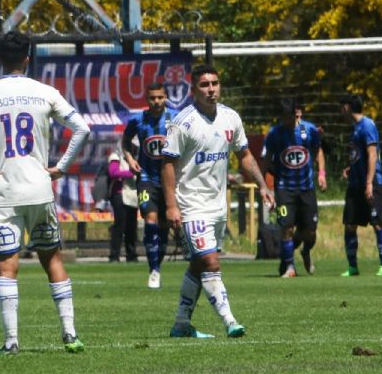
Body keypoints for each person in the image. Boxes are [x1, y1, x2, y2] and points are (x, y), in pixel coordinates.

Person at [0, 31, 89, 354]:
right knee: (51, 257)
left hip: (4, 191)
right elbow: (82, 128)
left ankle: (11, 342)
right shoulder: (44, 92)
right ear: (27, 58)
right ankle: (70, 334)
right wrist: (61, 166)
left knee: (7, 265)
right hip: (39, 188)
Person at [161, 64, 274, 338]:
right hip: (191, 205)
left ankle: (181, 324)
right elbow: (167, 164)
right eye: (204, 84)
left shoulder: (230, 118)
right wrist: (171, 205)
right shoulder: (182, 123)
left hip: (217, 207)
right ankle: (230, 321)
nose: (211, 89)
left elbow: (244, 154)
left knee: (199, 265)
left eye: (214, 83)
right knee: (211, 262)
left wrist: (262, 184)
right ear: (193, 90)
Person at [262, 101, 326, 277]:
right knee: (286, 227)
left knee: (310, 232)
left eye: (289, 117)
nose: (287, 121)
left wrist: (321, 173)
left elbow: (318, 151)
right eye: (283, 118)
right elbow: (267, 159)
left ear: (295, 115)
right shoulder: (275, 134)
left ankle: (305, 251)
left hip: (307, 188)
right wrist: (263, 186)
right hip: (284, 189)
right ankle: (290, 267)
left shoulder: (309, 130)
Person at [122, 83, 177, 288]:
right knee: (150, 220)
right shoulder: (138, 120)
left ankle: (157, 266)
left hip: (169, 181)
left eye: (160, 98)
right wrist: (129, 158)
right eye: (152, 98)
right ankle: (153, 270)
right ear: (147, 99)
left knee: (164, 225)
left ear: (166, 97)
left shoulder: (176, 117)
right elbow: (126, 140)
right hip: (146, 178)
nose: (156, 102)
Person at [339, 94, 382, 277]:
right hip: (355, 183)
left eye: (341, 107)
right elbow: (359, 156)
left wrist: (369, 182)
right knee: (350, 224)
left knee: (377, 223)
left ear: (347, 107)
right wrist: (350, 168)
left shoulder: (367, 125)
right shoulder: (355, 128)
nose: (341, 112)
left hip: (370, 183)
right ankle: (353, 267)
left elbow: (372, 155)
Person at [107, 143, 138, 262]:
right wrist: (131, 173)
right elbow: (113, 173)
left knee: (132, 227)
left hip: (133, 195)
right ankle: (114, 255)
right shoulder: (116, 156)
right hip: (119, 194)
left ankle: (131, 255)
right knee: (119, 226)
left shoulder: (137, 158)